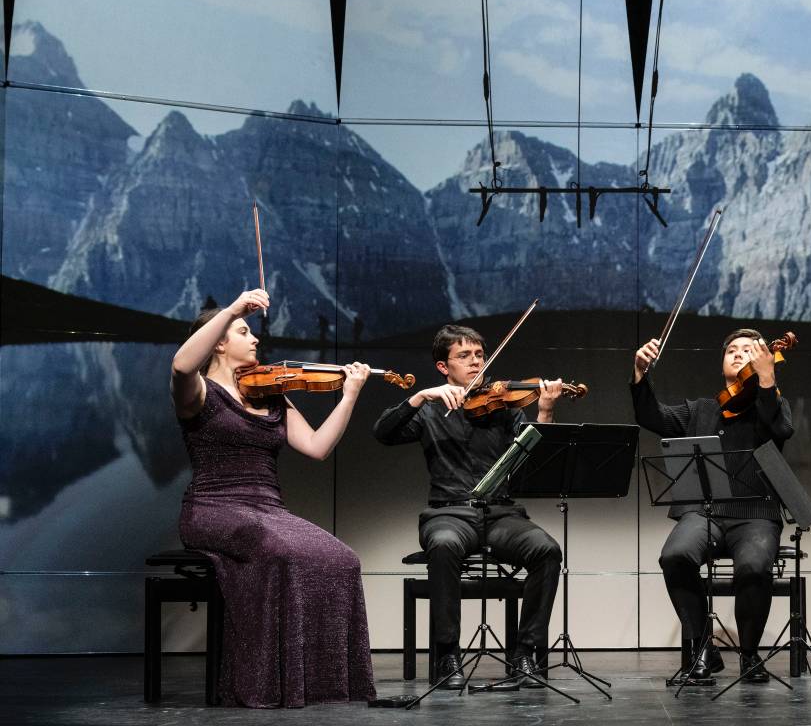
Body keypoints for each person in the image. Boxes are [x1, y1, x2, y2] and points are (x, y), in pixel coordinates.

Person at [170, 289, 376, 708]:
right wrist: (232, 309)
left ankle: (319, 682)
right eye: (244, 332)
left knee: (344, 559)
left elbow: (317, 447)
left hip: (269, 510)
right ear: (219, 342)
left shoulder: (272, 395)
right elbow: (180, 364)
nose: (256, 339)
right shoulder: (200, 395)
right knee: (281, 554)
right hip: (213, 508)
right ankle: (268, 680)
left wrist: (350, 395)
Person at [373, 324, 564, 690]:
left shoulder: (503, 405)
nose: (476, 362)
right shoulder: (430, 410)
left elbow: (536, 460)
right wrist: (417, 398)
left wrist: (545, 412)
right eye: (464, 356)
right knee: (444, 545)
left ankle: (525, 652)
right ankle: (447, 655)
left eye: (479, 354)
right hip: (448, 513)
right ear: (443, 367)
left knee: (547, 550)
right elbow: (384, 433)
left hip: (500, 514)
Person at [631, 329, 795, 683]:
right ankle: (702, 645)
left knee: (752, 567)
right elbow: (651, 416)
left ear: (763, 359)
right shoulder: (701, 410)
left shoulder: (772, 404)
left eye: (748, 350)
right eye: (731, 350)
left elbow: (780, 429)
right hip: (705, 512)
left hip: (756, 516)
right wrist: (641, 372)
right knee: (674, 555)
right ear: (722, 363)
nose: (737, 354)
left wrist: (767, 379)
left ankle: (750, 655)